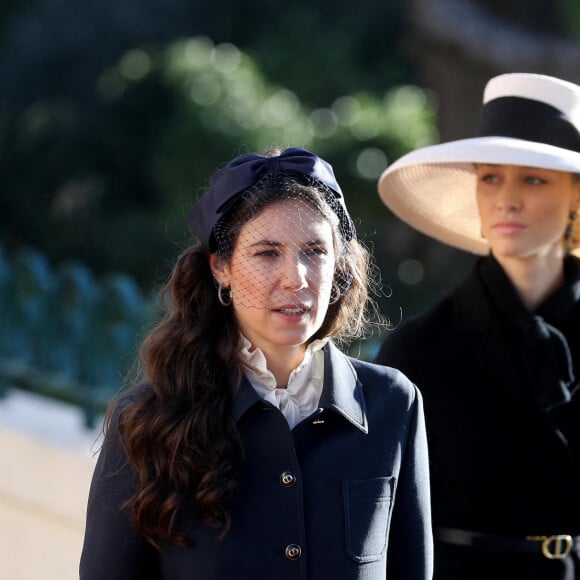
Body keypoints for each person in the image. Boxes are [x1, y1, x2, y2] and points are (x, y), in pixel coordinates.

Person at [79, 147, 433, 580]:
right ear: (221, 267)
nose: (296, 278)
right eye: (267, 253)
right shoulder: (146, 420)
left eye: (315, 251)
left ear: (339, 264)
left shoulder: (392, 405)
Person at [375, 72, 580, 580]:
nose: (507, 199)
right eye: (491, 177)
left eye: (532, 179)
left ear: (576, 198)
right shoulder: (418, 351)